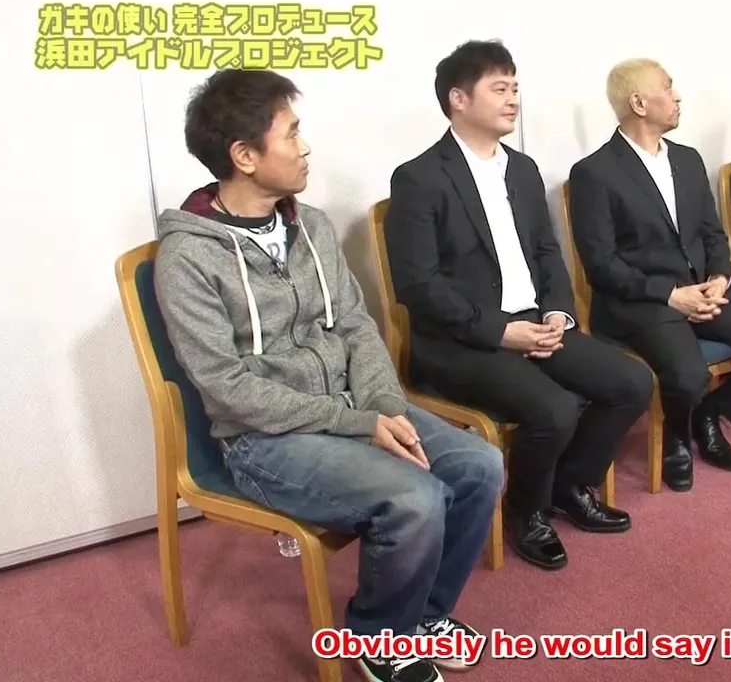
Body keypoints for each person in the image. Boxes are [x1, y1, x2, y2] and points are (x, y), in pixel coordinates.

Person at [154, 70, 501, 682]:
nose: (306, 146)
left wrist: (382, 405)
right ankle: (378, 637)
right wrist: (358, 423)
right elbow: (227, 385)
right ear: (244, 156)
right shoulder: (188, 257)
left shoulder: (310, 226)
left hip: (350, 405)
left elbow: (356, 325)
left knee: (479, 466)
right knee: (415, 498)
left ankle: (423, 615)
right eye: (291, 133)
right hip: (263, 439)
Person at [386, 41, 654, 572]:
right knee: (552, 410)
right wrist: (500, 332)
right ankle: (523, 511)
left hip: (536, 323)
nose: (513, 99)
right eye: (499, 88)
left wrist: (558, 313)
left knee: (632, 382)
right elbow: (419, 286)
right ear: (458, 99)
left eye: (515, 88)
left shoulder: (523, 170)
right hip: (460, 343)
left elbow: (547, 252)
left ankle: (568, 486)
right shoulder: (419, 178)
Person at [568, 58, 731, 491]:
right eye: (668, 88)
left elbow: (712, 233)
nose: (678, 96)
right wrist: (670, 295)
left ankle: (710, 414)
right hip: (642, 301)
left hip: (706, 288)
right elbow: (602, 264)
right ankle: (676, 439)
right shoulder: (594, 172)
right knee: (687, 374)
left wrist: (719, 276)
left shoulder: (687, 159)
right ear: (639, 103)